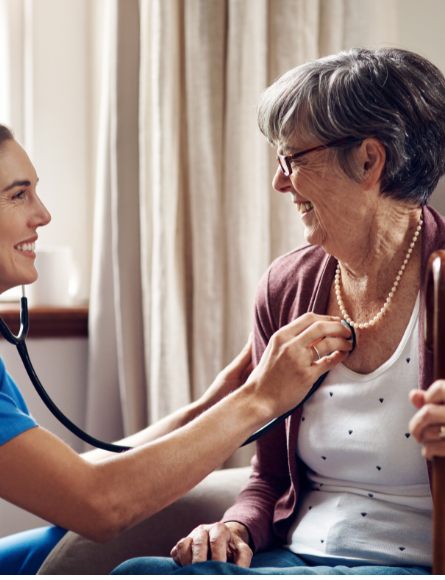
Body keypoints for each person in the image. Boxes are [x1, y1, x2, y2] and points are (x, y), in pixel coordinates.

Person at [0, 115, 352, 575]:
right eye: (18, 196)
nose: (43, 215)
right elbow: (98, 504)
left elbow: (72, 476)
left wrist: (213, 401)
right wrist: (260, 399)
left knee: (70, 549)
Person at [112, 48, 445, 576]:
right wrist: (236, 527)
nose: (279, 182)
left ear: (368, 160)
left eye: (292, 159)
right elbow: (267, 478)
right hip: (293, 559)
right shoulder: (287, 285)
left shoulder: (441, 281)